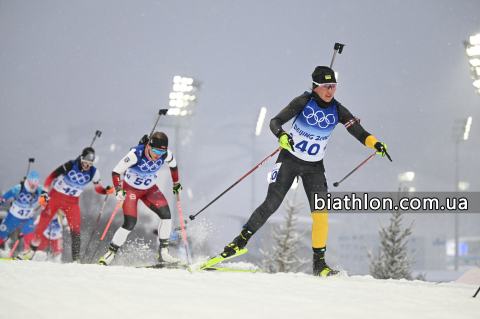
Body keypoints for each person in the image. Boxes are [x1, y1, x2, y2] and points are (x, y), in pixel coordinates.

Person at [220, 66, 389, 276]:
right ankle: (239, 242)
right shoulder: (303, 101)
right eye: (326, 86)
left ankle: (319, 265)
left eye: (334, 86)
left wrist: (375, 144)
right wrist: (281, 135)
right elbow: (275, 121)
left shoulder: (338, 110)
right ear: (316, 86)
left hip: (314, 167)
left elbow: (359, 132)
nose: (330, 91)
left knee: (321, 217)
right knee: (271, 204)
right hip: (289, 160)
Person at [99, 132, 182, 266]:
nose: (158, 155)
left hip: (150, 189)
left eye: (162, 152)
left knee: (166, 215)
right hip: (131, 189)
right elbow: (116, 171)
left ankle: (164, 253)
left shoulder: (166, 155)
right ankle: (110, 253)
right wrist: (118, 189)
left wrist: (176, 183)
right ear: (148, 146)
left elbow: (174, 166)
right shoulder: (135, 154)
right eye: (155, 150)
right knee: (130, 223)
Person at [17, 147, 114, 262]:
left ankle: (75, 260)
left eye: (89, 164)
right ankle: (30, 253)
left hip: (72, 202)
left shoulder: (94, 172)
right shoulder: (71, 165)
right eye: (85, 163)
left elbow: (98, 188)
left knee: (76, 230)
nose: (87, 166)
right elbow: (51, 177)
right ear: (81, 159)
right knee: (43, 223)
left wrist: (105, 191)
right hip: (55, 197)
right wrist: (44, 194)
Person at [0, 171, 45, 251]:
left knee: (30, 239)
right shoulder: (19, 188)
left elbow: (45, 195)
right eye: (32, 184)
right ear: (28, 181)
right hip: (12, 218)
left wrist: (44, 199)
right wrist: (2, 200)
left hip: (27, 219)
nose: (33, 186)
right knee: (1, 235)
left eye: (35, 185)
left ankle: (28, 256)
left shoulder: (38, 189)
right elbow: (6, 196)